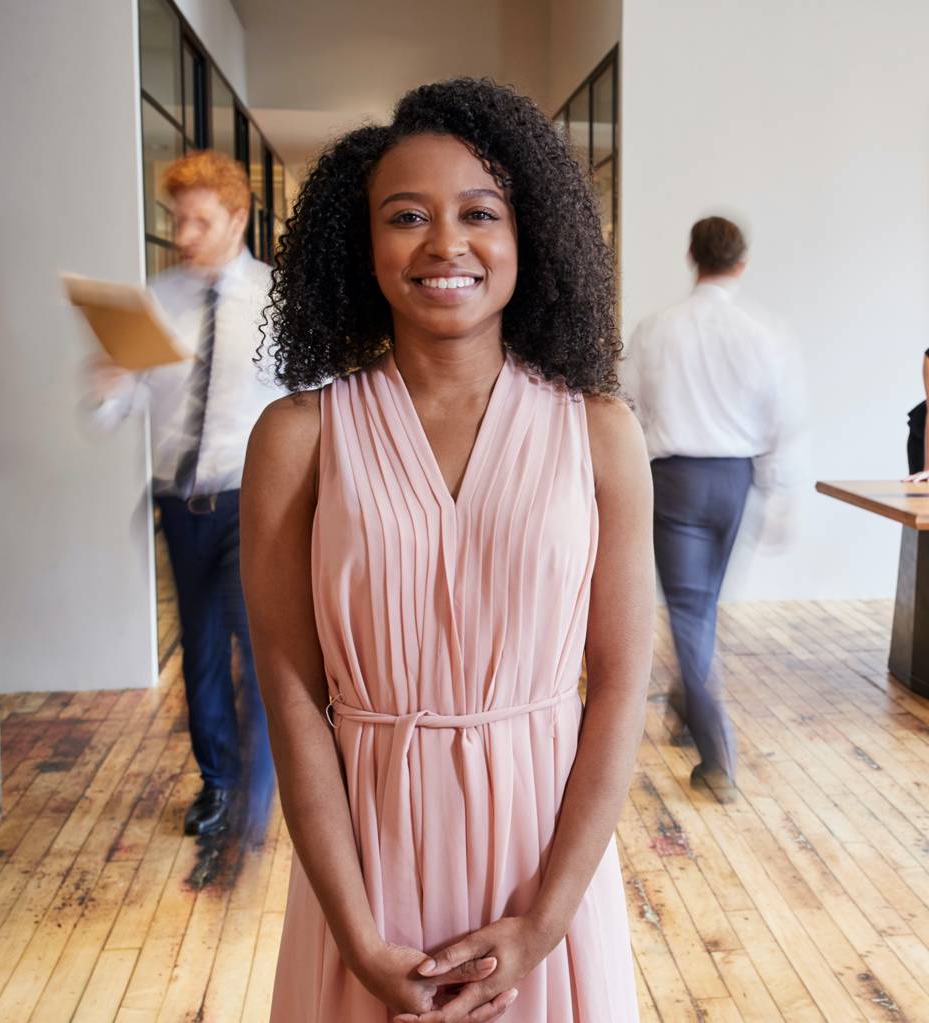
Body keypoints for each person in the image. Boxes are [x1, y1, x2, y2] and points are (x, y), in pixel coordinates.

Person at [240, 78, 654, 1022]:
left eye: (479, 212)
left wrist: (545, 923)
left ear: (528, 235)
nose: (445, 243)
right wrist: (354, 931)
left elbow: (622, 680)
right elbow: (293, 694)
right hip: (368, 869)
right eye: (406, 216)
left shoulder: (599, 431)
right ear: (363, 245)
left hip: (543, 865)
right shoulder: (298, 436)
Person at [88, 150, 278, 839]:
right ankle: (220, 783)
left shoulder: (274, 300)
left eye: (200, 220)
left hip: (252, 500)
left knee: (255, 642)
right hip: (179, 500)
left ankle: (262, 785)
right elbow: (117, 410)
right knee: (199, 650)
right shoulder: (154, 303)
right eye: (177, 220)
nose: (184, 235)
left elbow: (309, 405)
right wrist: (109, 385)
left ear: (238, 216)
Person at [624, 215, 805, 800]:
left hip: (674, 480)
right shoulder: (765, 331)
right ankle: (686, 709)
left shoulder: (657, 329)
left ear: (691, 258)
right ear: (741, 264)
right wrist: (777, 494)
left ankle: (718, 755)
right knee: (701, 609)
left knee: (691, 613)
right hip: (736, 482)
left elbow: (627, 404)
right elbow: (784, 421)